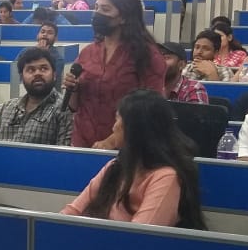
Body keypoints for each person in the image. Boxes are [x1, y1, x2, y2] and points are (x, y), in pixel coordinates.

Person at [61, 89, 206, 229]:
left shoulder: (166, 177)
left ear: (135, 129)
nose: (113, 127)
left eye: (118, 119)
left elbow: (138, 238)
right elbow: (73, 211)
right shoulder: (115, 167)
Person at [64, 0, 166, 149]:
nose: (97, 14)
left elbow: (150, 111)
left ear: (124, 16)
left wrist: (112, 142)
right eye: (96, 7)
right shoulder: (88, 52)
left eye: (105, 9)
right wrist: (73, 89)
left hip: (127, 150)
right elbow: (74, 106)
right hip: (82, 145)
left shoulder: (147, 56)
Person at [0, 47, 73, 146]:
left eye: (43, 69)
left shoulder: (63, 109)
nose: (37, 73)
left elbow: (63, 153)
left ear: (54, 75)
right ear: (21, 77)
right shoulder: (5, 108)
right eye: (31, 70)